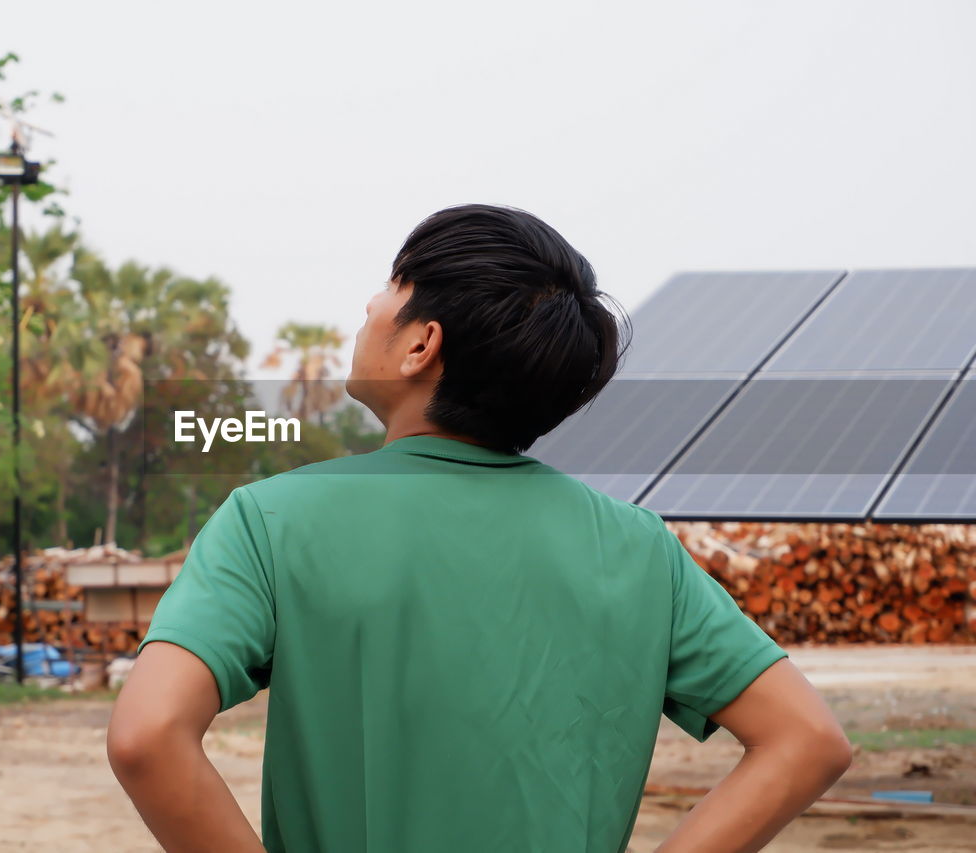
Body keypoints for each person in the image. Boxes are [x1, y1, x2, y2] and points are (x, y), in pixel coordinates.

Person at [106, 204, 852, 852]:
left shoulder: (271, 519)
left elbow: (147, 735)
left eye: (392, 285)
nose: (370, 303)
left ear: (421, 344)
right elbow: (807, 739)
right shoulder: (637, 547)